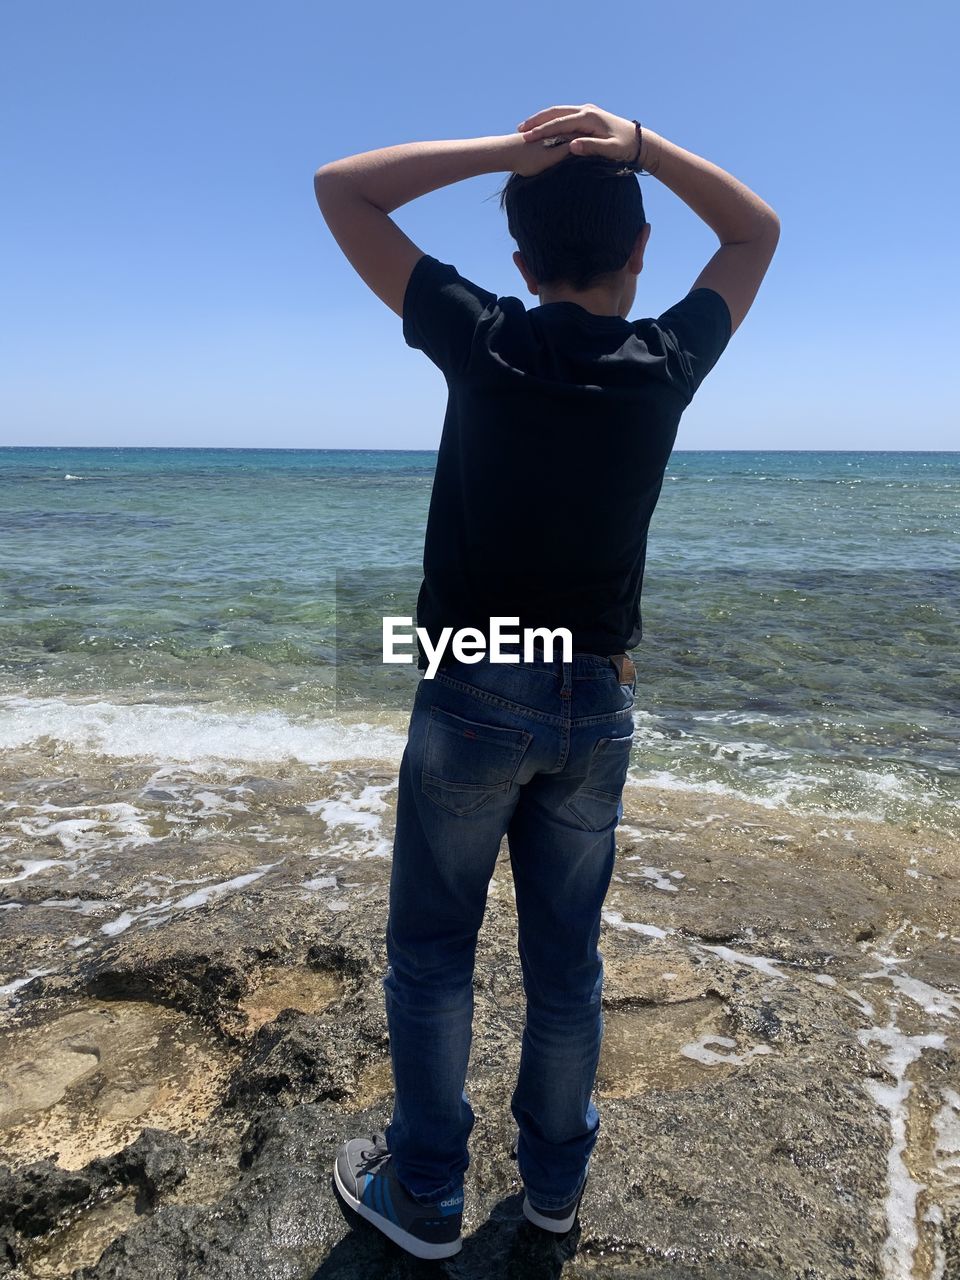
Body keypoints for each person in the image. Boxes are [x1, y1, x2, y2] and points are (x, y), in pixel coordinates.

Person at [314, 103, 779, 1260]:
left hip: (473, 680)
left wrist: (503, 155)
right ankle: (556, 1186)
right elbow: (757, 231)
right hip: (597, 696)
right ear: (640, 254)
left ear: (520, 262)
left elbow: (342, 187)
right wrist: (644, 143)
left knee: (433, 951)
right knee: (565, 960)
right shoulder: (666, 361)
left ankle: (424, 1190)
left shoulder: (488, 337)